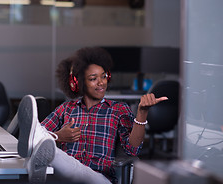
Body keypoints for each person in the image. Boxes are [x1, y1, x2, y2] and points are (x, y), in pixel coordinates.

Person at [17, 46, 168, 184]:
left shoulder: (118, 109)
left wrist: (142, 112)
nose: (101, 82)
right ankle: (38, 161)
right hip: (66, 176)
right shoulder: (66, 109)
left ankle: (39, 163)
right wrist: (58, 136)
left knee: (50, 150)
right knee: (40, 139)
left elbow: (133, 150)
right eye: (93, 79)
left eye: (103, 76)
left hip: (100, 178)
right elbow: (39, 135)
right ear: (78, 83)